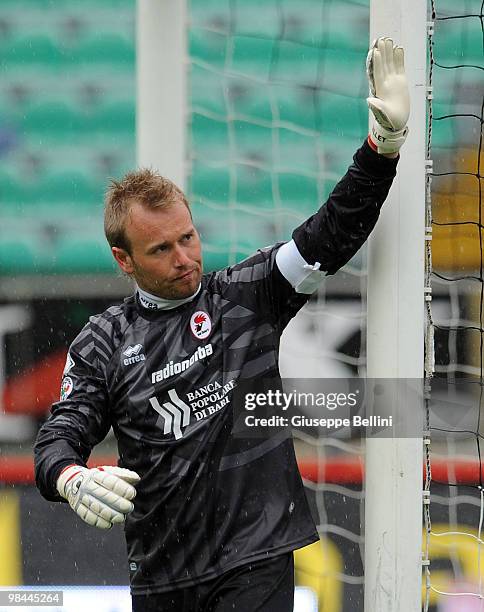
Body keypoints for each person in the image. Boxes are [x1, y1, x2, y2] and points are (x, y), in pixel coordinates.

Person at [34, 38, 410, 611]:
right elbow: (59, 436)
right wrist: (70, 478)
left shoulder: (247, 295)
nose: (185, 257)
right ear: (123, 259)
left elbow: (330, 234)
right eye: (161, 249)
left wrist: (382, 148)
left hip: (256, 559)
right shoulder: (104, 342)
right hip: (163, 575)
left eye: (188, 237)